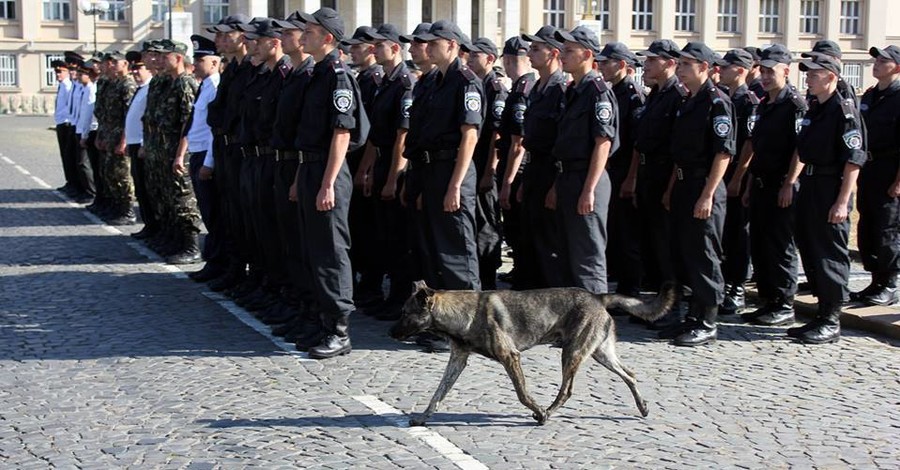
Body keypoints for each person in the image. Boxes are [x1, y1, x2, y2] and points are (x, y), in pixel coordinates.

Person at [291, 7, 367, 359]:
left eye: (309, 30)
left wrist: (327, 184)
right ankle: (322, 322)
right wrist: (300, 179)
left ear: (328, 38)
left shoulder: (338, 77)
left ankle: (340, 330)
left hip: (328, 173)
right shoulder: (317, 74)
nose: (302, 35)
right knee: (313, 250)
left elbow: (342, 133)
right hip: (311, 169)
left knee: (332, 254)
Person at [790, 52, 867, 344]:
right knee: (810, 249)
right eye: (807, 73)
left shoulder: (843, 110)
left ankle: (832, 319)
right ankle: (820, 314)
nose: (808, 78)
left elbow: (853, 160)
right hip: (809, 184)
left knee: (829, 254)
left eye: (814, 73)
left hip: (830, 186)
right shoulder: (815, 107)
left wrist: (842, 201)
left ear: (831, 77)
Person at [404, 20, 483, 293]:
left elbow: (469, 136)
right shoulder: (436, 81)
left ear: (451, 45)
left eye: (433, 42)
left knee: (457, 253)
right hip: (432, 170)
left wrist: (455, 185)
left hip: (452, 168)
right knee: (435, 252)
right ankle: (444, 325)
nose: (427, 47)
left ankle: (472, 327)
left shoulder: (465, 82)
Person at [665, 42, 735, 347]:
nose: (680, 69)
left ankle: (708, 320)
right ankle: (692, 316)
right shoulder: (687, 100)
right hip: (683, 185)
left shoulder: (717, 101)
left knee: (704, 255)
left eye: (686, 64)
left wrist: (707, 195)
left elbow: (723, 154)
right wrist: (671, 189)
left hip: (704, 185)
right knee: (684, 252)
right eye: (679, 64)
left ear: (705, 68)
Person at [734, 44, 806, 327]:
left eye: (770, 71)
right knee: (761, 244)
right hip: (762, 183)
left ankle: (785, 303)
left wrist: (790, 183)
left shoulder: (795, 105)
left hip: (781, 185)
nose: (764, 76)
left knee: (780, 246)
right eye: (762, 70)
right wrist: (749, 182)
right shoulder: (764, 103)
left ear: (786, 72)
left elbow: (801, 149)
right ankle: (768, 300)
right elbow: (757, 148)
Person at [549, 26, 619, 294]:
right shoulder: (573, 90)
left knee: (587, 257)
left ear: (587, 54)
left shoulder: (598, 92)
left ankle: (594, 325)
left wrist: (588, 190)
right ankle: (572, 324)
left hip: (588, 178)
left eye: (569, 51)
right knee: (567, 255)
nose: (562, 55)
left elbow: (603, 144)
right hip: (568, 177)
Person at [354, 23, 416, 320]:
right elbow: (375, 136)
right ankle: (388, 295)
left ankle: (401, 298)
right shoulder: (385, 83)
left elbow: (401, 137)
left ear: (394, 48)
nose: (373, 49)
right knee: (382, 237)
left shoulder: (405, 82)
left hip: (396, 168)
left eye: (379, 45)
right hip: (380, 164)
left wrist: (392, 178)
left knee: (398, 239)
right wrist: (366, 170)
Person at [632, 39, 686, 330]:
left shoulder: (678, 94)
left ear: (669, 63)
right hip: (648, 176)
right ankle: (658, 303)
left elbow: (678, 147)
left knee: (668, 247)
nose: (646, 65)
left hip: (666, 177)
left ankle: (673, 307)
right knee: (653, 245)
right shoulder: (655, 94)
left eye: (652, 60)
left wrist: (668, 189)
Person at [518, 25, 567, 289]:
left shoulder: (561, 89)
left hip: (551, 171)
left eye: (536, 49)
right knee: (532, 238)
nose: (529, 53)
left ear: (553, 54)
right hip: (535, 168)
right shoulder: (537, 87)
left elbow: (562, 141)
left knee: (549, 243)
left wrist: (555, 186)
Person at [596, 41, 645, 300]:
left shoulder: (633, 95)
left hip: (625, 170)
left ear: (623, 65)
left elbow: (637, 142)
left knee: (627, 235)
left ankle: (631, 290)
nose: (601, 66)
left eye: (607, 62)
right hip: (612, 170)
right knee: (614, 231)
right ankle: (620, 282)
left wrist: (632, 177)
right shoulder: (610, 91)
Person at [852, 45, 900, 306]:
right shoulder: (870, 96)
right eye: (876, 60)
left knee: (887, 228)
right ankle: (875, 281)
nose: (877, 64)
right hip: (869, 168)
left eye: (884, 61)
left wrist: (898, 182)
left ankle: (890, 284)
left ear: (897, 67)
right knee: (868, 225)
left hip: (889, 169)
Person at [343, 26, 386, 309]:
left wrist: (366, 169)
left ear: (371, 49)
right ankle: (364, 283)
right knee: (358, 228)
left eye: (357, 47)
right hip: (357, 162)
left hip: (368, 164)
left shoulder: (376, 80)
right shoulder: (364, 79)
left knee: (370, 231)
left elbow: (376, 133)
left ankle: (371, 286)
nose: (351, 52)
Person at [173, 35, 221, 266]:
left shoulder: (215, 86)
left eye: (200, 60)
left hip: (206, 156)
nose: (196, 64)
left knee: (213, 213)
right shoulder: (204, 86)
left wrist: (209, 162)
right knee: (207, 210)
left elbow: (214, 129)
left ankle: (215, 261)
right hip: (198, 153)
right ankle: (211, 261)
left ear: (213, 63)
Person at [718, 49, 759, 316]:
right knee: (725, 234)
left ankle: (737, 288)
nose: (721, 71)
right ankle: (724, 284)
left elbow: (750, 143)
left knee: (737, 235)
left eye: (727, 67)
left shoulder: (749, 101)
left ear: (741, 70)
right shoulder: (724, 98)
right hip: (723, 176)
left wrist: (737, 178)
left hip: (738, 178)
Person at [462, 36, 505, 290]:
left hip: (486, 167)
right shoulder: (475, 84)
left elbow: (496, 135)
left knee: (487, 225)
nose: (469, 59)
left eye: (474, 55)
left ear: (489, 59)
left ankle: (488, 280)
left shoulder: (494, 88)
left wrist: (490, 171)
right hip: (475, 164)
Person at [155, 40, 201, 264]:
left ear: (179, 58)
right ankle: (176, 240)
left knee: (184, 199)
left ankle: (191, 246)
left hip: (180, 152)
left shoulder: (185, 83)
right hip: (166, 149)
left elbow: (188, 123)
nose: (161, 60)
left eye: (166, 56)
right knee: (170, 197)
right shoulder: (170, 83)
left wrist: (180, 153)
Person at [495, 36, 535, 290]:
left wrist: (508, 181)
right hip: (520, 169)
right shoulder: (529, 85)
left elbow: (517, 143)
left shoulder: (522, 90)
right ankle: (521, 271)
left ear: (508, 61)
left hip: (517, 170)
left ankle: (524, 276)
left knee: (518, 229)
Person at [95, 51, 137, 226]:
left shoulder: (127, 85)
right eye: (108, 62)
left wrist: (124, 140)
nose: (110, 65)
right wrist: (100, 134)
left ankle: (127, 211)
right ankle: (116, 206)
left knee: (122, 175)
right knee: (110, 173)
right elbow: (104, 114)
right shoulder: (112, 84)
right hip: (109, 133)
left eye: (114, 62)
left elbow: (129, 115)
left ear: (125, 64)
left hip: (120, 134)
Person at [123, 51, 152, 236]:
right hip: (134, 143)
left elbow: (148, 119)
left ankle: (152, 225)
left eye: (138, 68)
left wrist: (142, 142)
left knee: (147, 188)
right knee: (140, 188)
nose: (134, 72)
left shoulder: (150, 88)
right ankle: (149, 225)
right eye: (132, 68)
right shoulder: (140, 88)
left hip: (143, 145)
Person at [73, 59, 99, 205]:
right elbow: (82, 112)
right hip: (81, 128)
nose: (78, 75)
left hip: (90, 130)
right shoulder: (86, 88)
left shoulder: (91, 89)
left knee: (85, 163)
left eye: (82, 73)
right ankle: (88, 191)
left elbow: (90, 114)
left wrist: (85, 133)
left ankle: (92, 192)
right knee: (82, 163)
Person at [53, 57, 77, 196]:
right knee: (65, 155)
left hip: (67, 123)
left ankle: (73, 183)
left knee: (70, 156)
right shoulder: (62, 85)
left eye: (60, 71)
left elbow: (72, 106)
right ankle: (69, 181)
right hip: (61, 122)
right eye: (56, 72)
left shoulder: (69, 86)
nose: (58, 75)